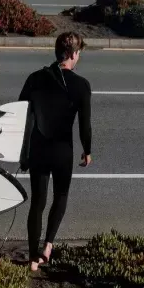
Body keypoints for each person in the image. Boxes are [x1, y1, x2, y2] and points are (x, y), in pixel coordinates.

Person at [18, 32, 92, 272]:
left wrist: (22, 150)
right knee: (61, 196)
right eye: (79, 52)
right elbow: (85, 124)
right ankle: (48, 245)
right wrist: (87, 150)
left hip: (38, 148)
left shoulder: (35, 78)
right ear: (72, 54)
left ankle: (32, 258)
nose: (79, 56)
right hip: (62, 149)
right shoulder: (81, 85)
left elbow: (20, 113)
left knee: (37, 203)